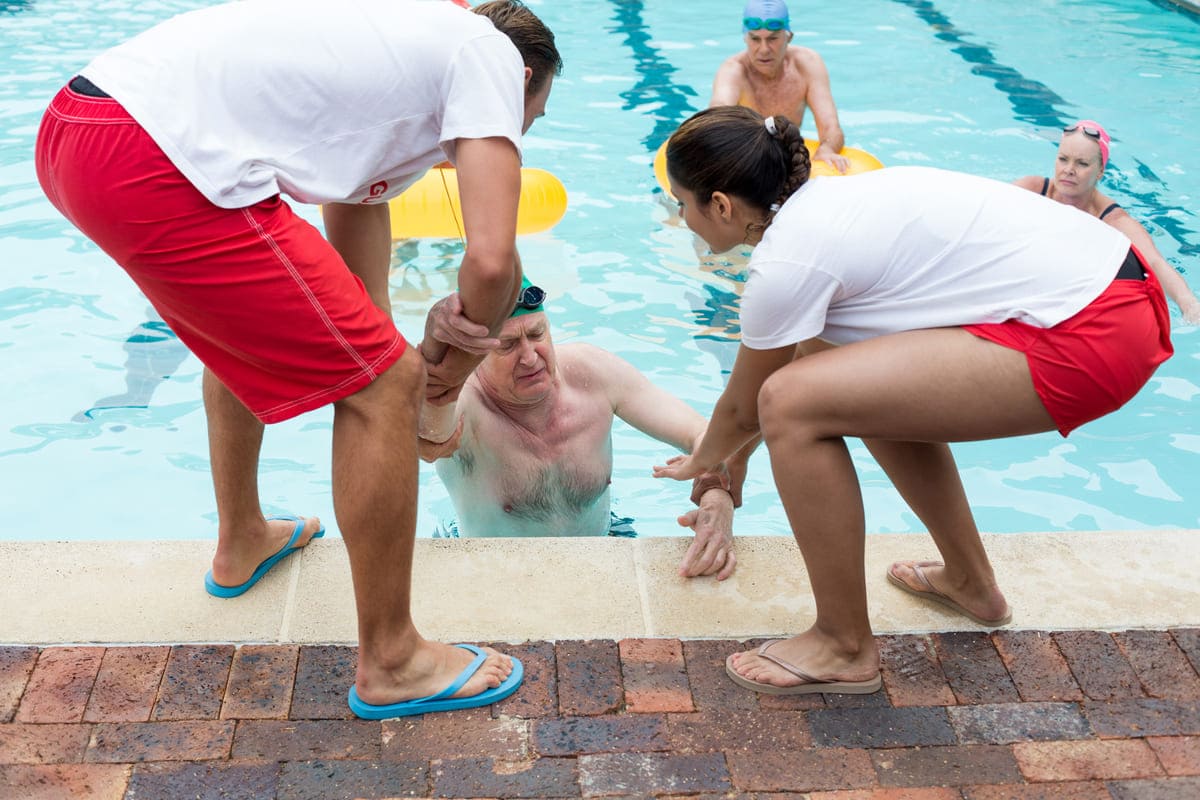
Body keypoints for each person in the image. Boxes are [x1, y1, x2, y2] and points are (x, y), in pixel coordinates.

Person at [34, 0, 562, 719]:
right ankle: (394, 660)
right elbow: (494, 261)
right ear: (521, 79)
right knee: (386, 384)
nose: (515, 137)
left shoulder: (403, 49)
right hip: (150, 152)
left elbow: (357, 243)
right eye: (528, 120)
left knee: (261, 335)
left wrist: (404, 365)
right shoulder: (487, 54)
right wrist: (437, 383)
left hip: (80, 127)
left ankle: (242, 540)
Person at [653, 106, 1173, 695]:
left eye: (682, 203)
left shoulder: (787, 261)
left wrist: (702, 462)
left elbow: (750, 406)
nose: (681, 217)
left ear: (721, 206)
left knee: (792, 405)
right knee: (844, 388)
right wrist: (732, 459)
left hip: (1088, 332)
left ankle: (843, 645)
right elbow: (803, 363)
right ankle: (971, 582)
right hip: (1121, 295)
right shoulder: (831, 206)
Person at [416, 283, 739, 580]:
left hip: (605, 544)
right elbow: (426, 434)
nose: (529, 357)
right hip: (494, 571)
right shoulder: (463, 405)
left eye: (537, 334)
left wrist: (716, 498)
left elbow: (706, 434)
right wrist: (435, 353)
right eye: (507, 345)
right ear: (473, 357)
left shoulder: (592, 373)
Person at [1014, 120, 1200, 324]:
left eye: (1082, 163)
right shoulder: (1030, 190)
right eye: (1063, 159)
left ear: (1101, 171)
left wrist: (1188, 303)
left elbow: (1154, 262)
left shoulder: (1112, 219)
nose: (1069, 169)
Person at [710, 0, 849, 173]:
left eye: (773, 38)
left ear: (788, 37)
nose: (763, 49)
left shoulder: (807, 64)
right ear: (745, 38)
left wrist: (826, 150)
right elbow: (717, 114)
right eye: (755, 39)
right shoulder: (733, 71)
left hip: (788, 155)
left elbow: (830, 127)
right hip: (749, 159)